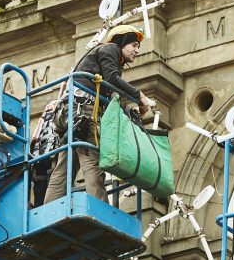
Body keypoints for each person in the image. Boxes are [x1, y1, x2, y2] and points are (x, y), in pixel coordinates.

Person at [42, 25, 155, 204]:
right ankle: (101, 208)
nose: (137, 50)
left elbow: (108, 97)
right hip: (82, 112)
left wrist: (129, 109)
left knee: (64, 167)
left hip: (71, 111)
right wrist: (140, 96)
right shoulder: (110, 49)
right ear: (122, 42)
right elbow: (112, 79)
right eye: (134, 45)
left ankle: (49, 209)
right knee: (91, 160)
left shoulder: (103, 58)